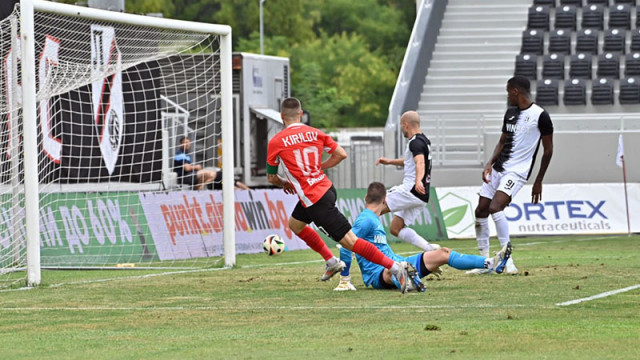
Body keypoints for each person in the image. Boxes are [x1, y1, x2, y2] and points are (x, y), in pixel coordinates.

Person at [266, 97, 416, 292]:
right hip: (325, 188)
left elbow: (271, 177)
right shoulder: (315, 133)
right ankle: (330, 261)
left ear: (281, 116)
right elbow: (341, 154)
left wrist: (284, 182)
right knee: (295, 224)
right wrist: (321, 166)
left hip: (315, 199)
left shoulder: (276, 141)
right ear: (301, 114)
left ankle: (396, 268)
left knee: (351, 242)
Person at [334, 182, 512, 292]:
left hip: (397, 262)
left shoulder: (374, 218)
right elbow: (346, 245)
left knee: (443, 253)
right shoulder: (365, 219)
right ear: (385, 200)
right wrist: (345, 279)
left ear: (366, 197)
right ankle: (406, 280)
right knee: (392, 270)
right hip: (379, 274)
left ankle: (490, 263)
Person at [468, 75, 553, 275]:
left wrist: (538, 180)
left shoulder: (541, 115)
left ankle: (508, 259)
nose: (507, 96)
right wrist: (489, 163)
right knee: (480, 210)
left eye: (508, 92)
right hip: (498, 168)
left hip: (517, 172)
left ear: (515, 91)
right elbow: (502, 142)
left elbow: (548, 150)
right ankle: (485, 263)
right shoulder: (510, 114)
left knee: (495, 207)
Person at [375, 111, 440, 252]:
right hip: (422, 196)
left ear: (406, 125)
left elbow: (420, 163)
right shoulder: (423, 140)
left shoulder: (414, 142)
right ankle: (429, 250)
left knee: (374, 208)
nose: (401, 129)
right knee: (395, 228)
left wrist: (418, 181)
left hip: (410, 190)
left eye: (401, 125)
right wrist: (390, 161)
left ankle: (354, 245)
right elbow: (411, 162)